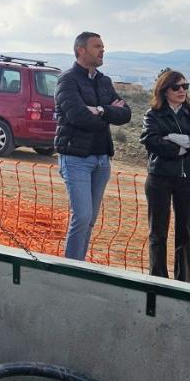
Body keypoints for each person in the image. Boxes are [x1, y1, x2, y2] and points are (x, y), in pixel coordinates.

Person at [54, 32, 131, 260]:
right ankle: (71, 267)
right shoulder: (67, 80)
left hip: (101, 159)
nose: (102, 50)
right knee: (82, 216)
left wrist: (99, 110)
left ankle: (78, 264)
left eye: (103, 47)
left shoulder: (104, 81)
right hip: (75, 158)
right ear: (81, 50)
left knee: (90, 219)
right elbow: (78, 116)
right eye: (97, 46)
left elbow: (125, 114)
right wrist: (108, 111)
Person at [140, 69, 190, 281]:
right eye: (176, 87)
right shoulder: (152, 115)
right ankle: (158, 279)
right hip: (159, 178)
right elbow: (151, 141)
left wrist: (182, 140)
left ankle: (184, 282)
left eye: (185, 86)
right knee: (158, 233)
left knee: (185, 232)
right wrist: (185, 146)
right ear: (164, 91)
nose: (182, 90)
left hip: (186, 179)